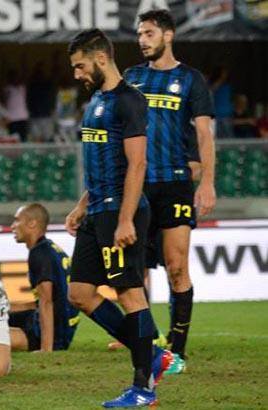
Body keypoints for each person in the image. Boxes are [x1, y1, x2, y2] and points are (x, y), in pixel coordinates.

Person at [64, 29, 172, 408]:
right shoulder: (96, 99)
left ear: (101, 59)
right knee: (79, 294)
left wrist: (126, 220)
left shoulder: (129, 101)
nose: (76, 74)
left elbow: (136, 164)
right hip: (97, 210)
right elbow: (102, 161)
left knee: (129, 294)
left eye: (80, 66)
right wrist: (82, 204)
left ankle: (144, 388)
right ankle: (153, 355)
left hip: (120, 212)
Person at [124, 9, 217, 374]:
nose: (142, 40)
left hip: (176, 183)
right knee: (135, 271)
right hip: (137, 185)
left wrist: (207, 182)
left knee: (177, 267)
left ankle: (177, 350)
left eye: (149, 33)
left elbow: (204, 135)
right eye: (139, 34)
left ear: (168, 35)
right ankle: (146, 342)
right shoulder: (132, 77)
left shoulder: (191, 79)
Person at [9, 203, 80, 352]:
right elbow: (51, 299)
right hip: (60, 325)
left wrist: (46, 349)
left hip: (52, 334)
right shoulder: (49, 248)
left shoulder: (40, 254)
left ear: (32, 223)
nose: (12, 226)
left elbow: (46, 302)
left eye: (17, 220)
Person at [3, 69, 30, 142]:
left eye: (16, 77)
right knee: (13, 139)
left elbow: (25, 77)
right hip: (12, 118)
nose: (15, 79)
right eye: (13, 77)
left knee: (23, 138)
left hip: (23, 117)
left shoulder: (22, 88)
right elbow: (4, 100)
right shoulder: (7, 89)